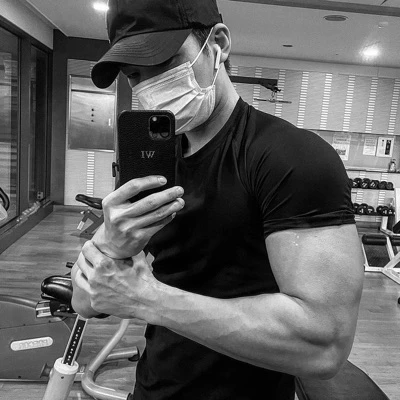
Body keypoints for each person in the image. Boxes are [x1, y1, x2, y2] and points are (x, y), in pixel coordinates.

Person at [71, 0, 365, 398]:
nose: (149, 85)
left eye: (164, 62)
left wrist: (148, 299)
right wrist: (111, 243)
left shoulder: (293, 158)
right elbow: (85, 302)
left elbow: (324, 346)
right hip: (153, 387)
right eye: (135, 74)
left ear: (218, 44)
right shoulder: (154, 163)